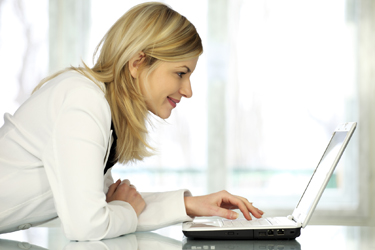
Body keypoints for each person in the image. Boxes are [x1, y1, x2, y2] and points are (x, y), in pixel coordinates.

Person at [0, 2, 263, 241]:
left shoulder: (95, 104)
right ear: (137, 62)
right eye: (181, 73)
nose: (188, 90)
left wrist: (189, 205)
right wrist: (123, 209)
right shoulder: (83, 102)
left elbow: (108, 206)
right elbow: (89, 225)